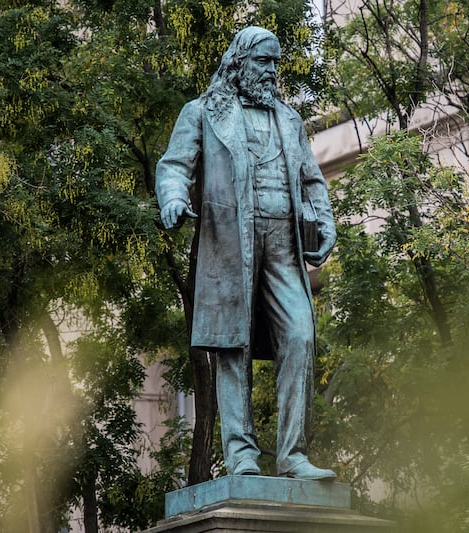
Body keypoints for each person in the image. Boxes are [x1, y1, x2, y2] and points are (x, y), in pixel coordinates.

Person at [155, 26, 337, 481]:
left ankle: (293, 455)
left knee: (300, 335)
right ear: (239, 63)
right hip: (230, 240)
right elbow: (175, 166)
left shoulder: (290, 120)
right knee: (231, 345)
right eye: (263, 62)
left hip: (283, 244)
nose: (272, 72)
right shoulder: (202, 112)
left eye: (276, 63)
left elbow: (312, 180)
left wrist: (326, 220)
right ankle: (241, 455)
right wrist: (174, 199)